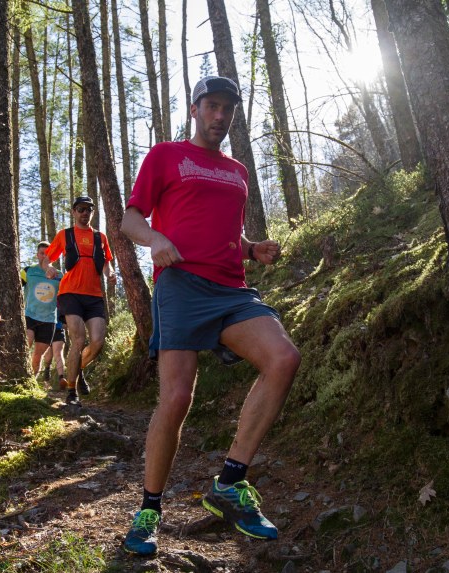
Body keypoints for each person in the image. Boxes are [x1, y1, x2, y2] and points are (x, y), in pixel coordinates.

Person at [119, 76, 301, 556]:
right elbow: (130, 219)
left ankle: (229, 483)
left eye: (228, 110)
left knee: (283, 358)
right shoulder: (166, 156)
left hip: (232, 290)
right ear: (196, 109)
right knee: (177, 398)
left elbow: (227, 233)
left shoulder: (239, 171)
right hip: (181, 285)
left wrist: (252, 248)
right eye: (212, 106)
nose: (220, 116)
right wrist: (154, 239)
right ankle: (149, 511)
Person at [42, 196, 116, 406]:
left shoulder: (100, 237)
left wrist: (110, 273)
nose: (85, 213)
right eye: (81, 209)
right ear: (74, 212)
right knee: (78, 339)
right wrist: (48, 268)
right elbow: (48, 258)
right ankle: (72, 392)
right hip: (70, 293)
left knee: (98, 341)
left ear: (92, 213)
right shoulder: (64, 235)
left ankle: (78, 368)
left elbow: (106, 263)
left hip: (94, 296)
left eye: (89, 210)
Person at [20, 242, 66, 388]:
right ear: (37, 255)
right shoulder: (27, 271)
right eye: (42, 253)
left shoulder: (59, 275)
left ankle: (31, 384)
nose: (45, 256)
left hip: (49, 320)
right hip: (29, 315)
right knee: (26, 343)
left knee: (37, 356)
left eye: (48, 253)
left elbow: (65, 298)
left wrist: (65, 318)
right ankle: (19, 378)